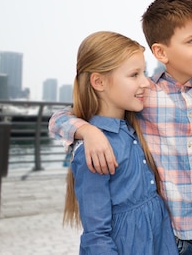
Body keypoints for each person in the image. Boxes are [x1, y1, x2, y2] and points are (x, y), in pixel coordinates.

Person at [49, 0, 192, 254]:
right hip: (176, 239)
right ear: (160, 52)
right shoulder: (148, 96)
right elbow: (60, 118)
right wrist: (88, 131)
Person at [64, 31, 176, 254]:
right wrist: (88, 133)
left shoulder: (135, 126)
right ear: (99, 82)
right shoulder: (94, 150)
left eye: (143, 73)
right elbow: (96, 235)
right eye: (134, 75)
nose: (146, 82)